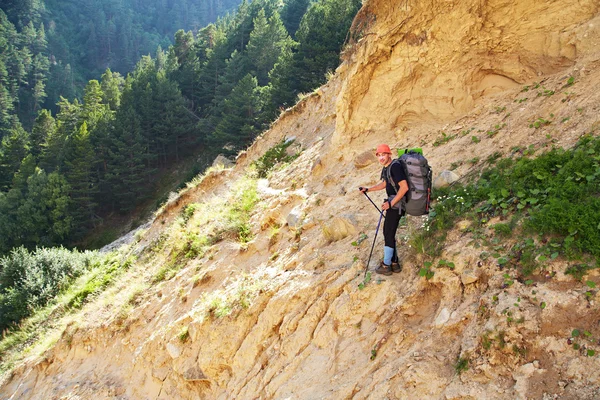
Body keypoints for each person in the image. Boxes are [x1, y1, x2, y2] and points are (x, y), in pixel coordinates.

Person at [359, 144, 409, 275]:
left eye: (383, 155)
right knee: (389, 232)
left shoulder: (396, 167)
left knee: (388, 232)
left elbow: (404, 187)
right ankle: (394, 263)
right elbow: (385, 184)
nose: (381, 158)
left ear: (389, 154)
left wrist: (390, 203)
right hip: (393, 204)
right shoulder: (387, 168)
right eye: (379, 155)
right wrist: (368, 189)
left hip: (397, 205)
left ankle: (386, 265)